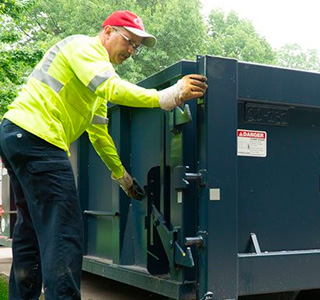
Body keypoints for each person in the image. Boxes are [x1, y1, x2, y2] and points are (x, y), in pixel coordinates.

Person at [0, 10, 207, 300]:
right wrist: (166, 96)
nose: (132, 50)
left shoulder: (92, 86)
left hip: (18, 137)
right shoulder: (84, 48)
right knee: (64, 232)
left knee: (31, 231)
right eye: (129, 41)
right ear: (108, 31)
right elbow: (112, 87)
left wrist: (120, 175)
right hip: (39, 139)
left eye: (136, 46)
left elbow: (99, 134)